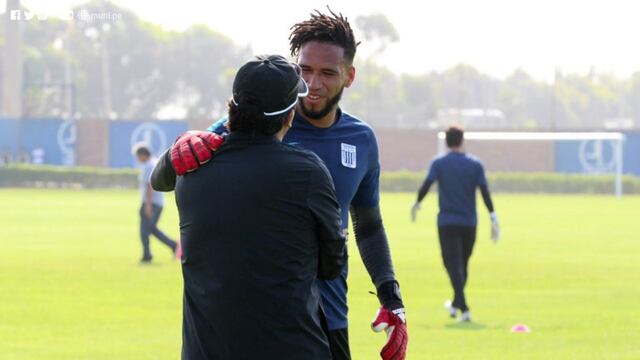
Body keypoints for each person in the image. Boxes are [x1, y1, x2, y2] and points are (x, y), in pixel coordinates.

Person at [151, 9, 407, 360]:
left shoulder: (361, 139)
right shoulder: (251, 123)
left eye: (328, 73)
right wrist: (176, 149)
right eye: (305, 70)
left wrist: (391, 298)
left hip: (328, 319)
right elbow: (167, 178)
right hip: (257, 325)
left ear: (349, 76)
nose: (314, 84)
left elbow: (369, 224)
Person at [175, 54, 346, 359]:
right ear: (289, 115)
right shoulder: (306, 172)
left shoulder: (192, 169)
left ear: (233, 107)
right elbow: (332, 265)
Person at [411, 125, 500, 322]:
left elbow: (426, 185)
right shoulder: (475, 164)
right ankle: (456, 304)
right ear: (462, 140)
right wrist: (492, 214)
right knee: (461, 264)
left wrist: (417, 202)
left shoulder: (439, 163)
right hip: (469, 223)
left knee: (452, 264)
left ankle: (464, 307)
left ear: (446, 141)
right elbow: (484, 191)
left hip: (447, 222)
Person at [133, 143, 177, 263]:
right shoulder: (155, 162)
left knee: (145, 230)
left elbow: (149, 186)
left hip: (151, 203)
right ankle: (171, 246)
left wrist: (147, 204)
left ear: (142, 155)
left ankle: (149, 255)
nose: (137, 159)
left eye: (137, 156)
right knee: (150, 228)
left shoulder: (148, 165)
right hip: (157, 202)